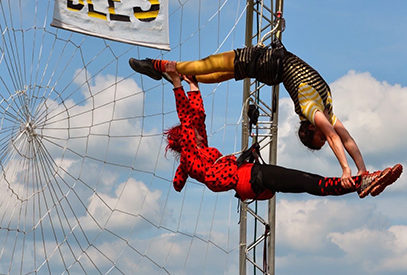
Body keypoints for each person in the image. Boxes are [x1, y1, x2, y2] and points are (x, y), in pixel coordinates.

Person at [129, 40, 382, 189]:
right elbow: (342, 138)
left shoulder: (316, 109)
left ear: (310, 129)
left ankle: (161, 69)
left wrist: (358, 170)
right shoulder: (314, 108)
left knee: (202, 69)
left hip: (262, 63)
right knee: (202, 71)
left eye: (321, 138)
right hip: (265, 63)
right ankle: (158, 68)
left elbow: (342, 138)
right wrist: (352, 170)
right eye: (323, 138)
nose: (327, 135)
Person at [160, 61, 402, 200]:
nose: (200, 133)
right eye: (193, 134)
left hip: (251, 180)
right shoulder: (191, 154)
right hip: (249, 178)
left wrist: (193, 86)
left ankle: (360, 182)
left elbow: (197, 118)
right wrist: (176, 83)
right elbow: (187, 118)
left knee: (306, 183)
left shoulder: (197, 154)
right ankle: (360, 182)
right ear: (185, 139)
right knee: (306, 181)